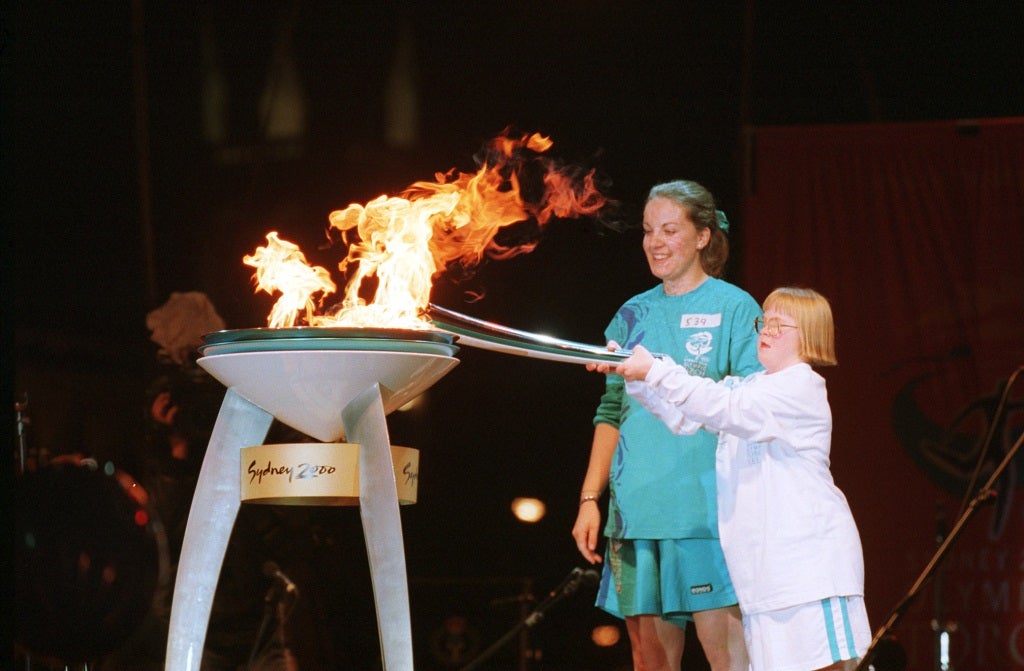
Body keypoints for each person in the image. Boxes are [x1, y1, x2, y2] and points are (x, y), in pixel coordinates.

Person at [607, 287, 870, 671]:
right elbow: (687, 415)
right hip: (762, 581)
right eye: (765, 319)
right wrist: (634, 375)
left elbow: (722, 407)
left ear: (809, 335)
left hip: (810, 575)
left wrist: (655, 370)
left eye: (780, 324)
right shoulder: (747, 387)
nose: (766, 329)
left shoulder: (801, 386)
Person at [572, 180, 760, 671]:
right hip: (636, 513)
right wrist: (591, 500)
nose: (655, 242)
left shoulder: (736, 308)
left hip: (707, 514)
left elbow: (750, 407)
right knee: (649, 661)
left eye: (670, 230)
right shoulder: (632, 314)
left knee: (729, 658)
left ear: (701, 236)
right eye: (648, 231)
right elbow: (610, 414)